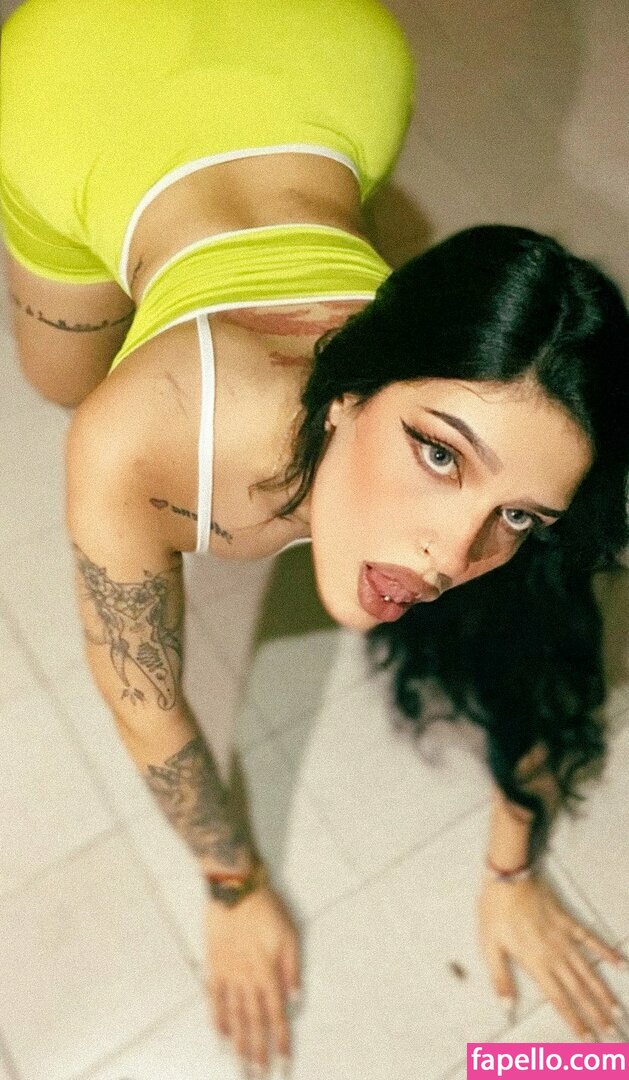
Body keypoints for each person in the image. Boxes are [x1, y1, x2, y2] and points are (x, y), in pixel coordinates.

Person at [1, 0, 628, 1076]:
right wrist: (234, 889)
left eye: (519, 515)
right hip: (68, 78)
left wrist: (512, 871)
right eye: (438, 453)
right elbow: (145, 707)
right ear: (348, 392)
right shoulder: (135, 442)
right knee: (60, 377)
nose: (449, 558)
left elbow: (537, 645)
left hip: (338, 57)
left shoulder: (499, 465)